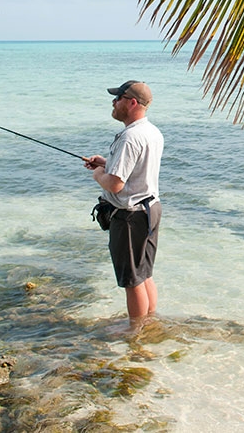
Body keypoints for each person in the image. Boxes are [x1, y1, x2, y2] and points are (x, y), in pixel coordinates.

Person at [84, 80, 164, 322]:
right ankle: (148, 323)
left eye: (118, 98)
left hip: (130, 216)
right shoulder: (151, 131)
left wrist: (98, 173)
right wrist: (107, 163)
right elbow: (135, 170)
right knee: (144, 273)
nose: (113, 102)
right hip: (150, 209)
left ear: (131, 103)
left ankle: (134, 333)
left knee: (132, 280)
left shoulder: (130, 137)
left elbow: (116, 185)